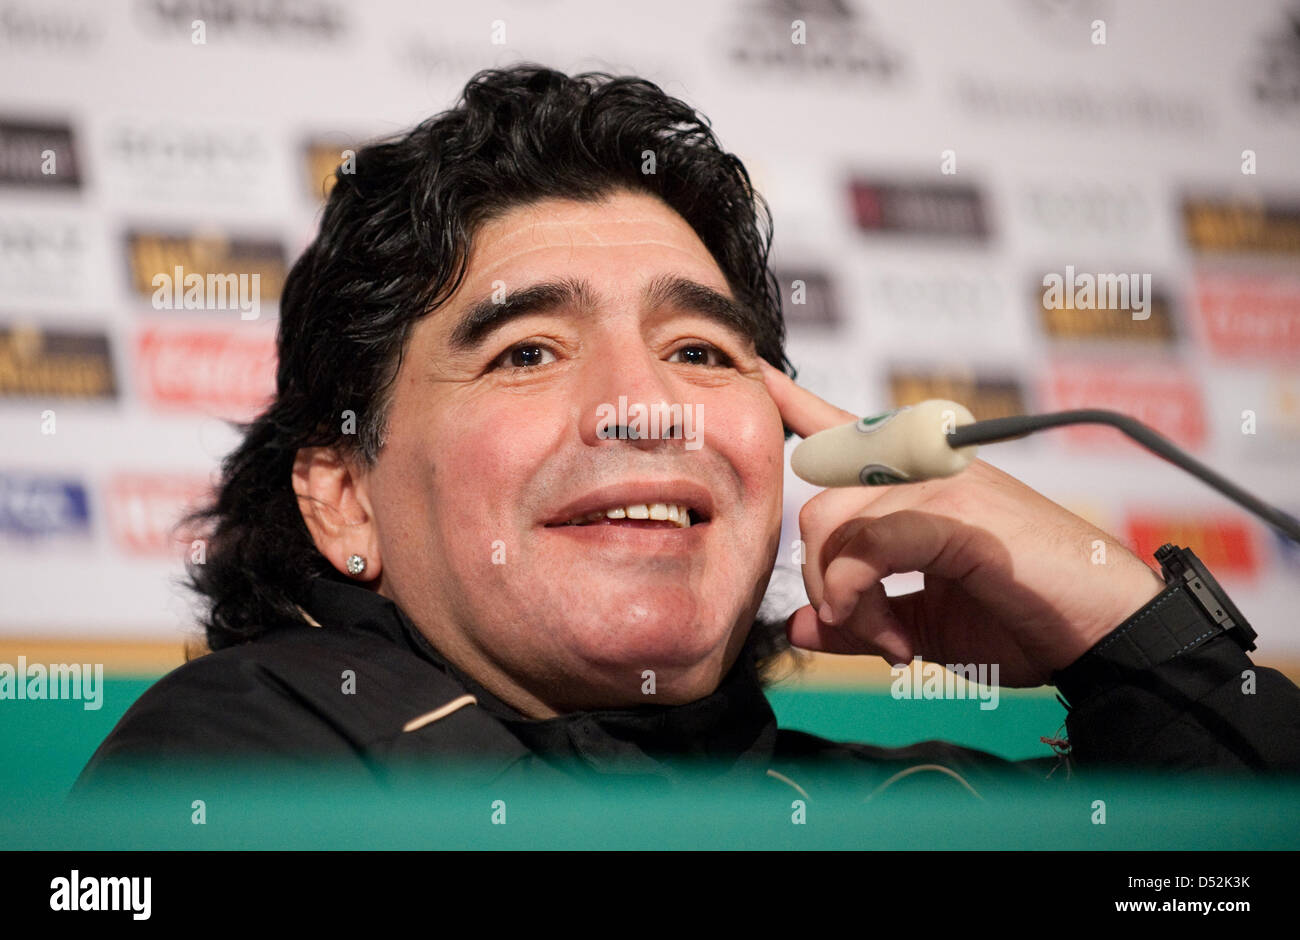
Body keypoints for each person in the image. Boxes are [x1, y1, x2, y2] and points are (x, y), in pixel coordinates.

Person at [76, 65, 1300, 797]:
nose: (644, 404)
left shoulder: (900, 800)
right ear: (345, 498)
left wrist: (1127, 637)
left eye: (700, 351)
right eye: (527, 352)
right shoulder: (239, 757)